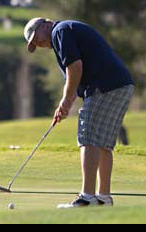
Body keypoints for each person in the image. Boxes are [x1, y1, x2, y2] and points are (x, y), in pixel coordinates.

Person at [24, 17, 134, 208]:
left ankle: (87, 197)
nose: (39, 44)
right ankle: (103, 197)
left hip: (104, 86)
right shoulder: (66, 31)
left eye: (37, 38)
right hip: (120, 85)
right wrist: (64, 106)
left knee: (88, 138)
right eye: (34, 44)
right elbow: (74, 81)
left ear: (45, 25)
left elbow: (75, 68)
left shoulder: (60, 31)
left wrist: (66, 101)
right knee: (103, 144)